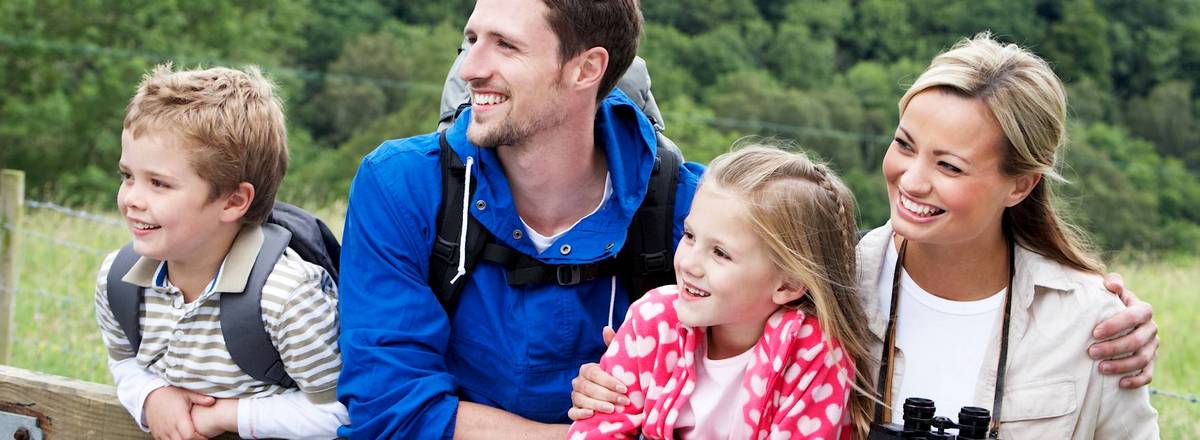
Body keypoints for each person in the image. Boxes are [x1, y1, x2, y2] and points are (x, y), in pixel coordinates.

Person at [569, 34, 1161, 438]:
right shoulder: (826, 288)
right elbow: (690, 354)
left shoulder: (1092, 324)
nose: (913, 179)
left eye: (949, 166)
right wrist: (614, 389)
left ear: (1020, 185)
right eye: (904, 145)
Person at [335, 0, 702, 438]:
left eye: (506, 45)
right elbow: (390, 407)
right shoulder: (403, 185)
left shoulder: (692, 213)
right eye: (471, 40)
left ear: (586, 69)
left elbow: (745, 392)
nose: (469, 68)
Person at [94, 64, 347, 440]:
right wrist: (151, 395)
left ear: (233, 201)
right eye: (128, 175)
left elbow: (340, 412)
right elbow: (125, 363)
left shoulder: (287, 298)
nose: (131, 198)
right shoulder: (119, 279)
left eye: (159, 184)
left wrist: (227, 416)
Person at [567, 145, 871, 439]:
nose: (689, 263)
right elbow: (597, 428)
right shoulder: (654, 320)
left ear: (787, 285)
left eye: (720, 253)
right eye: (689, 236)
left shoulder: (816, 354)